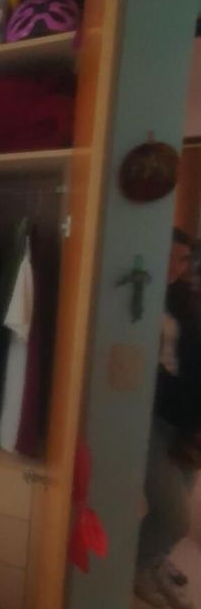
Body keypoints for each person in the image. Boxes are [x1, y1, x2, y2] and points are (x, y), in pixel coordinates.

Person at [136, 227, 201, 609]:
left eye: (183, 259)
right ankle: (138, 566)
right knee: (174, 516)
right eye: (170, 256)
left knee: (180, 505)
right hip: (153, 419)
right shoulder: (142, 295)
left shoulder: (183, 298)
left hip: (184, 423)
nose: (176, 266)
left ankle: (155, 560)